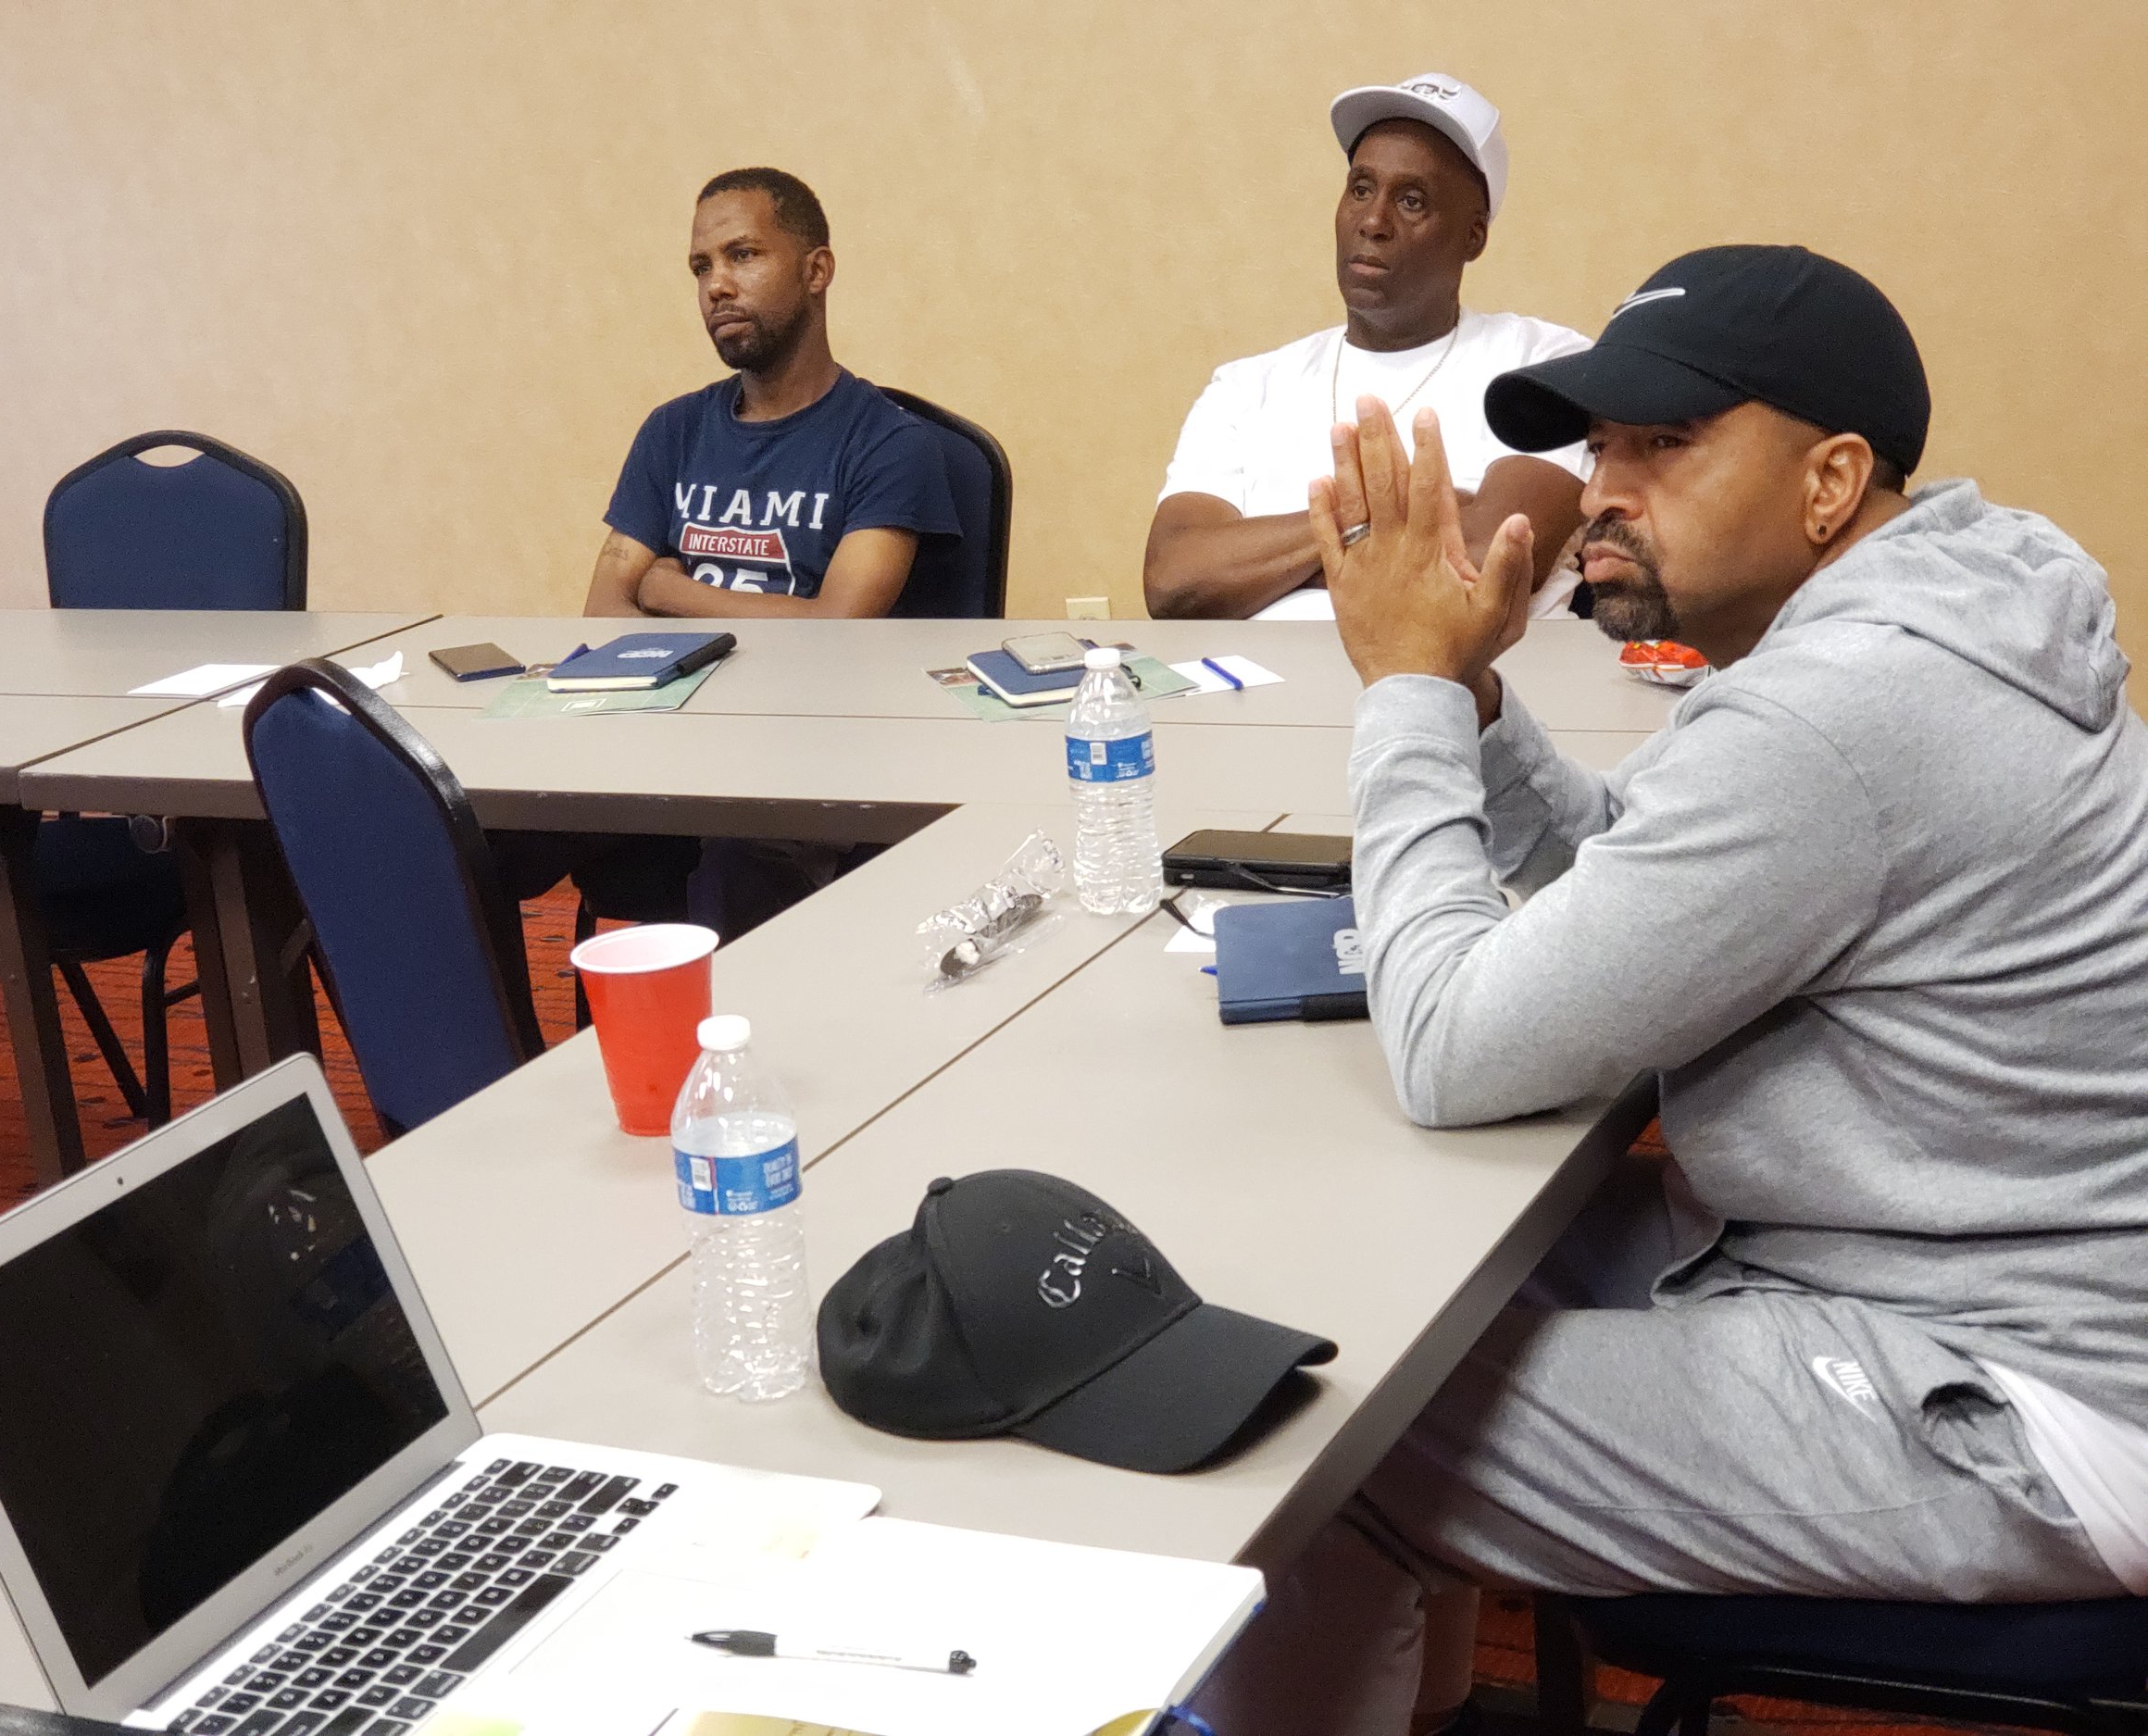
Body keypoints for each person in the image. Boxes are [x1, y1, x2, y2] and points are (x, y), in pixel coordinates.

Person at [1196, 245, 2148, 1735]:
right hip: (1929, 1252)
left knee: (1309, 1416)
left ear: (1831, 481)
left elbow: (1450, 1046)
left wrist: (1408, 687)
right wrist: (1479, 696)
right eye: (1601, 445)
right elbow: (1636, 874)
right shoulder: (1935, 610)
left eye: (1665, 442)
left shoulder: (1841, 711)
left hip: (2025, 1397)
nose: (1604, 490)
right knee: (1391, 1270)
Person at [1143, 75, 1589, 621]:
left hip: (1474, 673)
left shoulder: (1541, 361)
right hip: (1256, 677)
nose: (1373, 221)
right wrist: (1397, 518)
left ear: (1473, 236)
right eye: (1360, 189)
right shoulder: (1245, 387)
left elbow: (1486, 559)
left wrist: (1260, 559)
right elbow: (1174, 580)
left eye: (1412, 201)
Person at [585, 166, 959, 618]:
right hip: (688, 669)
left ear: (816, 271)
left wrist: (671, 593)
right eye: (702, 267)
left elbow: (837, 625)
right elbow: (603, 611)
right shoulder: (673, 430)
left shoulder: (890, 443)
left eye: (742, 255)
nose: (716, 286)